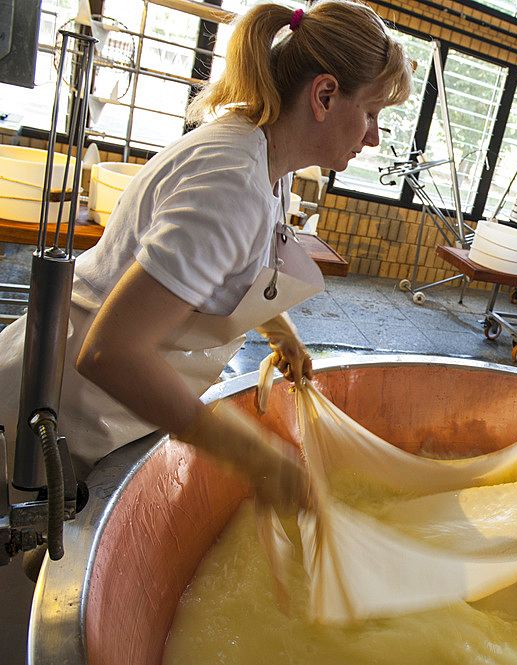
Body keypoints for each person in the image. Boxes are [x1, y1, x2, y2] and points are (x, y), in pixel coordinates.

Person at [0, 1, 412, 518]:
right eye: (371, 113)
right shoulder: (229, 184)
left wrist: (278, 331)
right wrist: (253, 457)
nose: (373, 136)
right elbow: (112, 353)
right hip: (59, 420)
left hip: (94, 408)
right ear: (325, 95)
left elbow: (232, 267)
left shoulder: (265, 155)